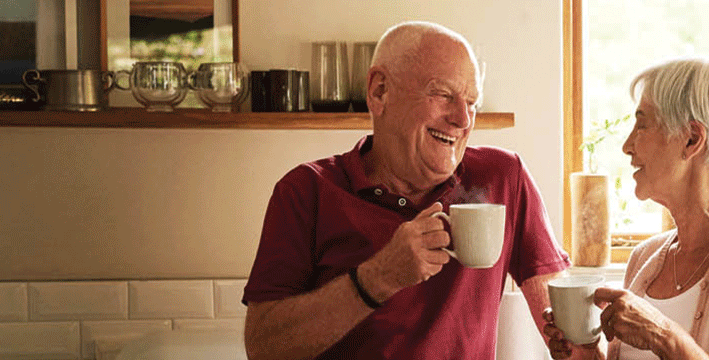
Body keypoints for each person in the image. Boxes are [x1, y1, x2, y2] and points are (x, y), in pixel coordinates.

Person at [241, 21, 571, 359]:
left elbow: (564, 322)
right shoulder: (305, 191)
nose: (463, 119)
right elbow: (263, 347)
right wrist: (377, 278)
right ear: (380, 91)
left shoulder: (503, 177)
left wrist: (589, 337)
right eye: (443, 94)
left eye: (472, 102)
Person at [544, 58, 709, 360]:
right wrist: (585, 354)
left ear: (692, 139)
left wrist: (663, 336)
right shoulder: (644, 259)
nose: (627, 146)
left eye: (642, 125)